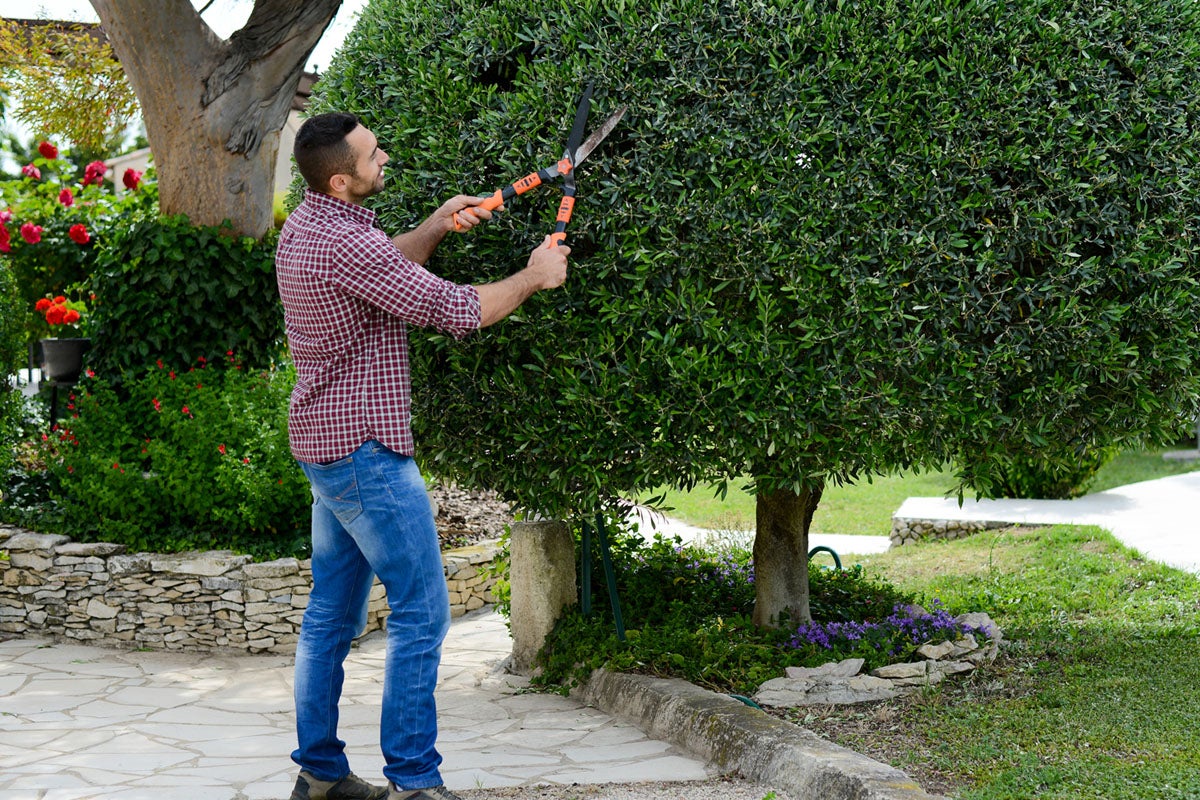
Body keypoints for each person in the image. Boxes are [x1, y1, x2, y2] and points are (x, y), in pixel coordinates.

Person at [276, 112, 569, 800]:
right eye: (374, 155)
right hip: (365, 453)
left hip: (326, 445)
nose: (386, 158)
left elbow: (381, 272)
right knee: (423, 612)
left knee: (329, 616)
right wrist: (533, 276)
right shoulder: (346, 242)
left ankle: (318, 776)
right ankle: (414, 782)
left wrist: (437, 225)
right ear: (342, 178)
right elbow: (456, 311)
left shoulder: (313, 224)